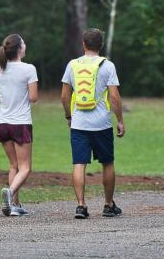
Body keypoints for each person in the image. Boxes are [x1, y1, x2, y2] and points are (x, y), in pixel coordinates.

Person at [60, 28, 126, 219]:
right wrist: (120, 120)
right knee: (107, 163)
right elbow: (114, 96)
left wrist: (68, 116)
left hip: (79, 124)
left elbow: (65, 95)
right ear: (101, 45)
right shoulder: (108, 65)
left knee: (79, 163)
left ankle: (81, 206)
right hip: (102, 124)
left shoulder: (72, 65)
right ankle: (108, 205)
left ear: (84, 44)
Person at [0, 34, 38, 217]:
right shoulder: (29, 69)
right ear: (19, 49)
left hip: (2, 123)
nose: (25, 45)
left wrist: (6, 99)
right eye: (24, 43)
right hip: (20, 123)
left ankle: (15, 205)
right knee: (25, 167)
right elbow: (33, 97)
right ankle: (10, 193)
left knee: (13, 165)